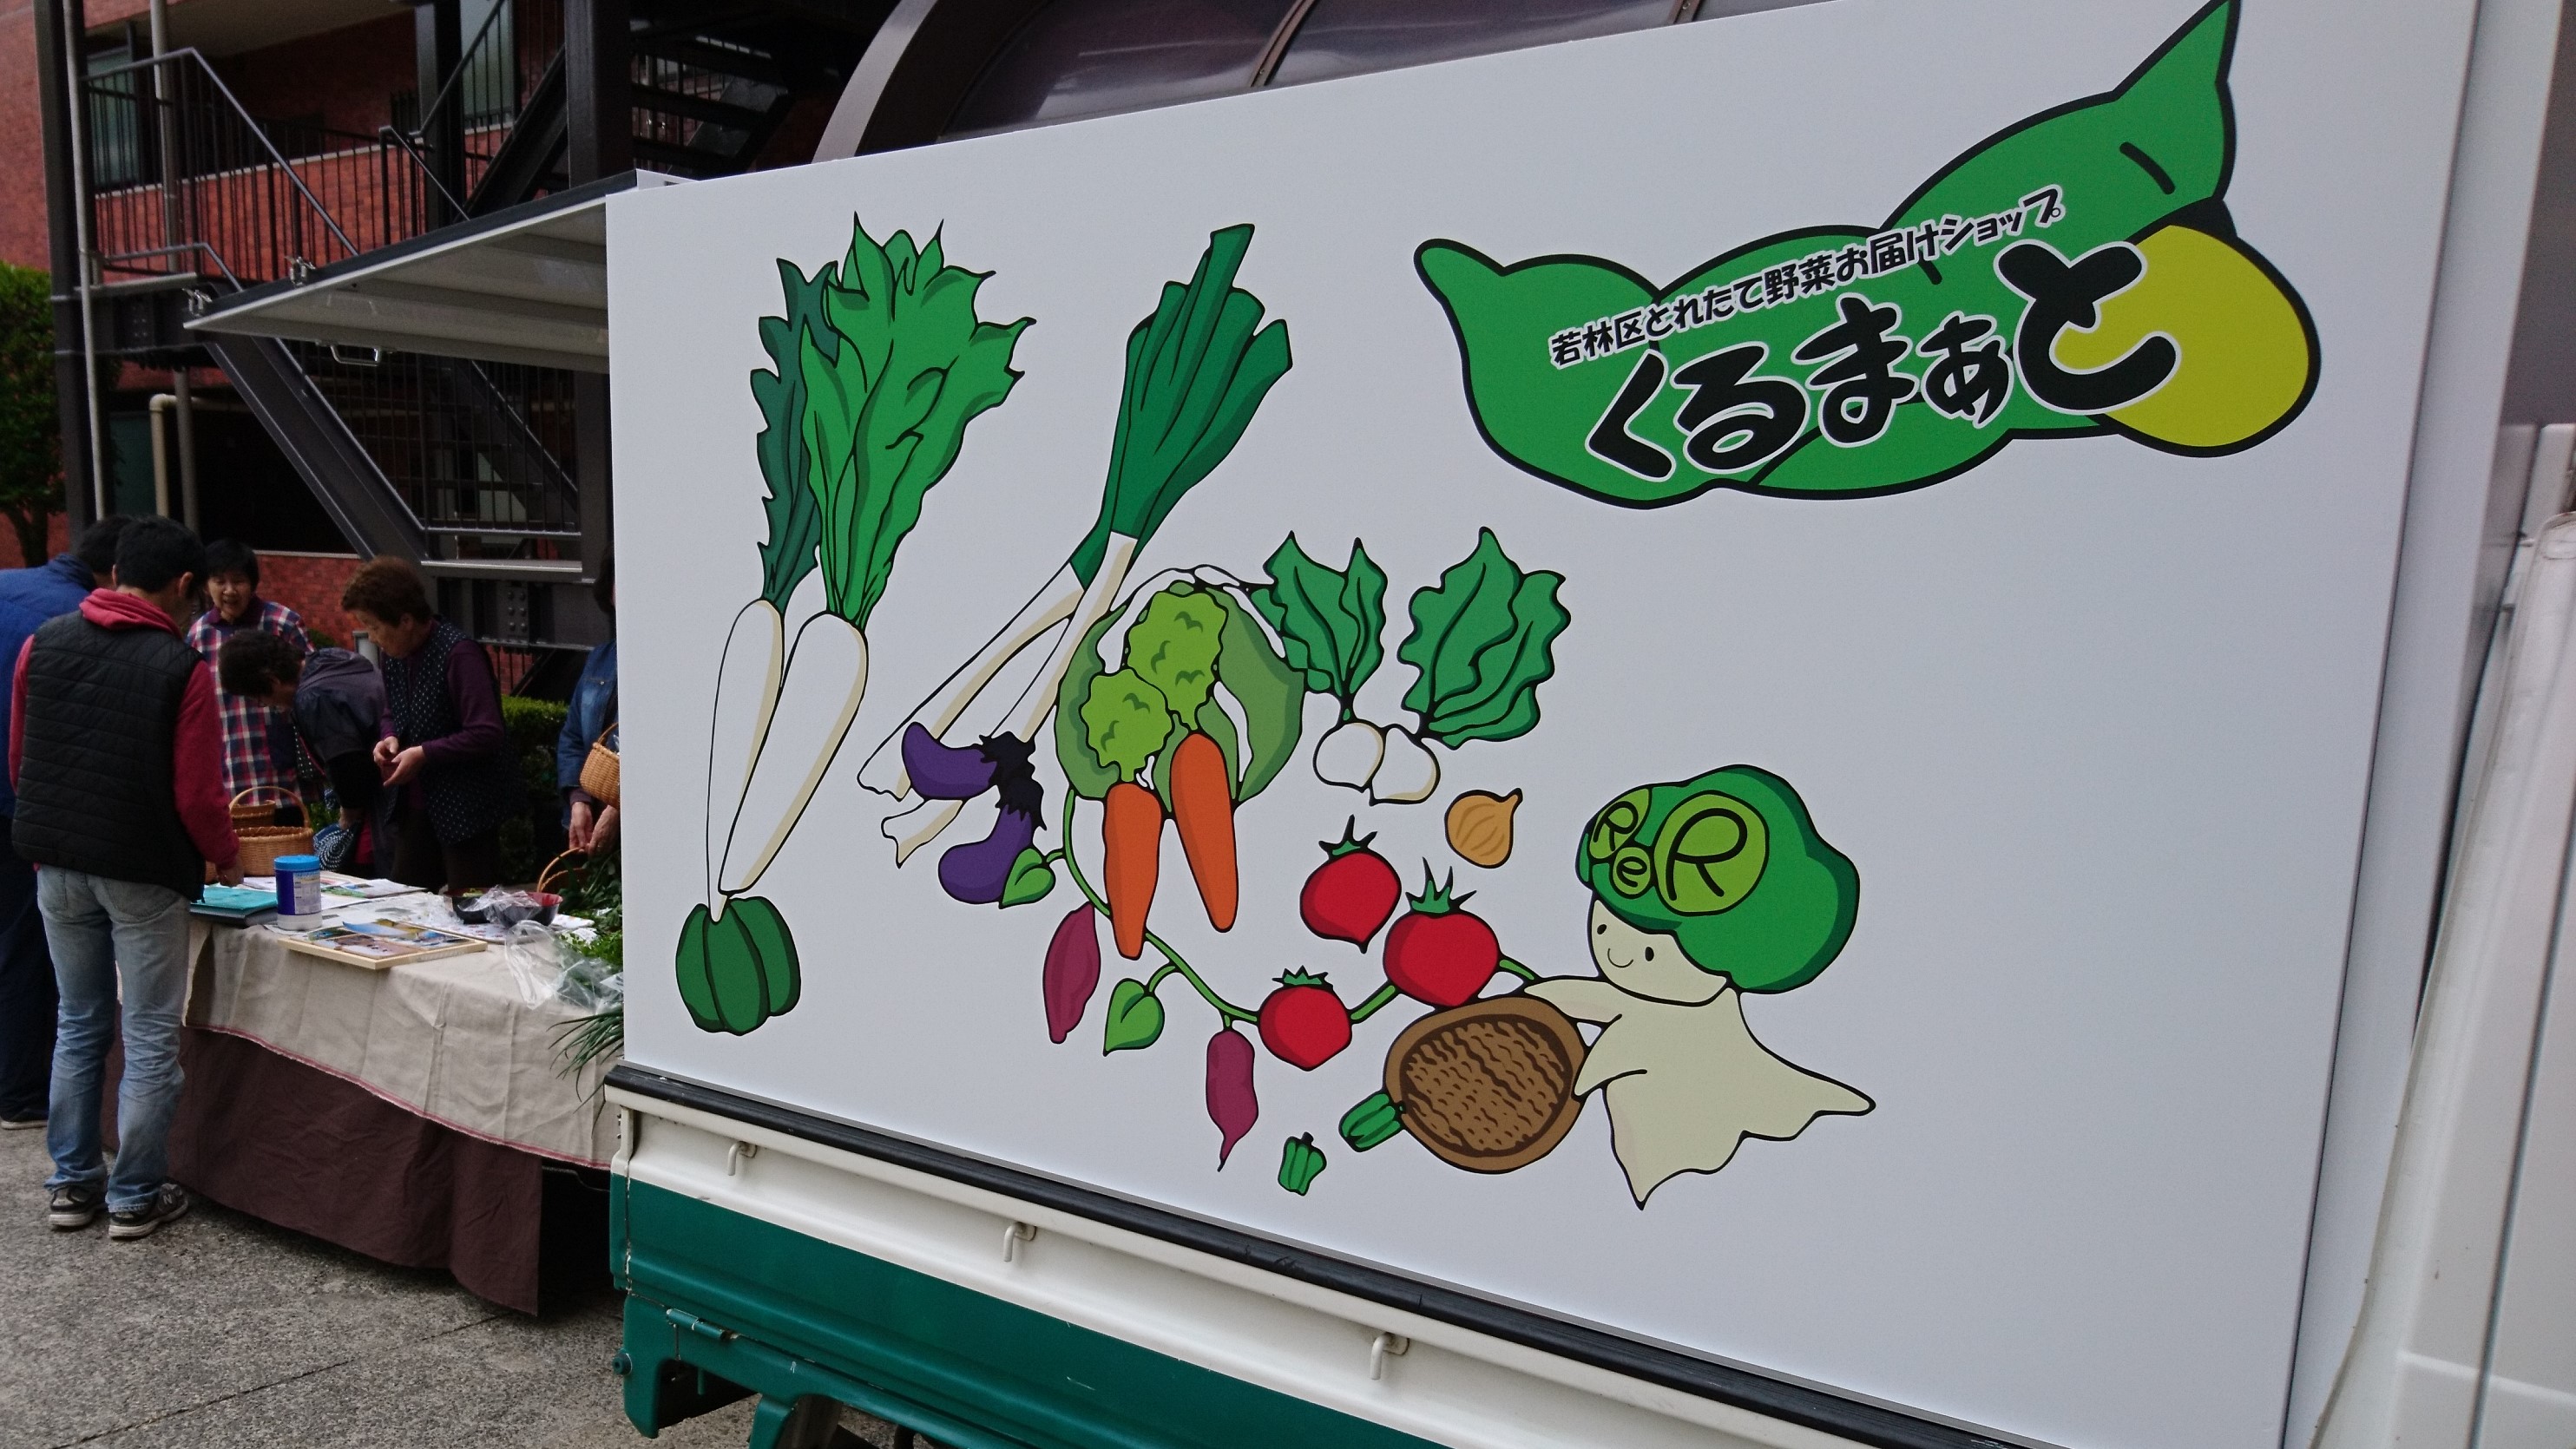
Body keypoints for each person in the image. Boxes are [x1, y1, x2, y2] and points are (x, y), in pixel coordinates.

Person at [12, 516, 239, 1240]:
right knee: (147, 1036)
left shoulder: (43, 643)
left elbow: (21, 759)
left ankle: (72, 1186)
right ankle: (135, 1195)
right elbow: (197, 796)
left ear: (115, 574)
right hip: (142, 869)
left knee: (78, 1024)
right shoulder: (181, 668)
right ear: (183, 585)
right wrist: (225, 855)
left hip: (57, 862)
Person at [0, 516, 130, 1131]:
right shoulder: (79, 622)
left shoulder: (8, 584)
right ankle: (21, 1091)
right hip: (26, 804)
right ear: (117, 572)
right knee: (31, 948)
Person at [340, 558, 518, 893]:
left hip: (467, 809)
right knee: (405, 903)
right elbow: (392, 711)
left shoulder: (459, 654)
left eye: (374, 627)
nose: (373, 638)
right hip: (416, 805)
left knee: (472, 906)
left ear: (406, 620)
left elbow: (487, 732)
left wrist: (424, 753)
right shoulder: (394, 655)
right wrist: (389, 738)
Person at [216, 632, 391, 873]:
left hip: (387, 801)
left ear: (273, 681)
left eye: (261, 698)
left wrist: (347, 815)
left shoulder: (313, 698)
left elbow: (347, 767)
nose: (267, 705)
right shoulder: (331, 659)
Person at [185, 540, 311, 813]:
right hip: (229, 777)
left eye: (239, 581)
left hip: (283, 778)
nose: (230, 590)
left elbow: (312, 685)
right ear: (206, 585)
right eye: (220, 581)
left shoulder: (282, 622)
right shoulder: (198, 635)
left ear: (253, 584)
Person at [556, 556, 617, 856]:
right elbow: (572, 736)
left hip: (644, 823)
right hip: (593, 821)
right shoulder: (599, 658)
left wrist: (619, 809)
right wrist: (578, 799)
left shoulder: (670, 660)